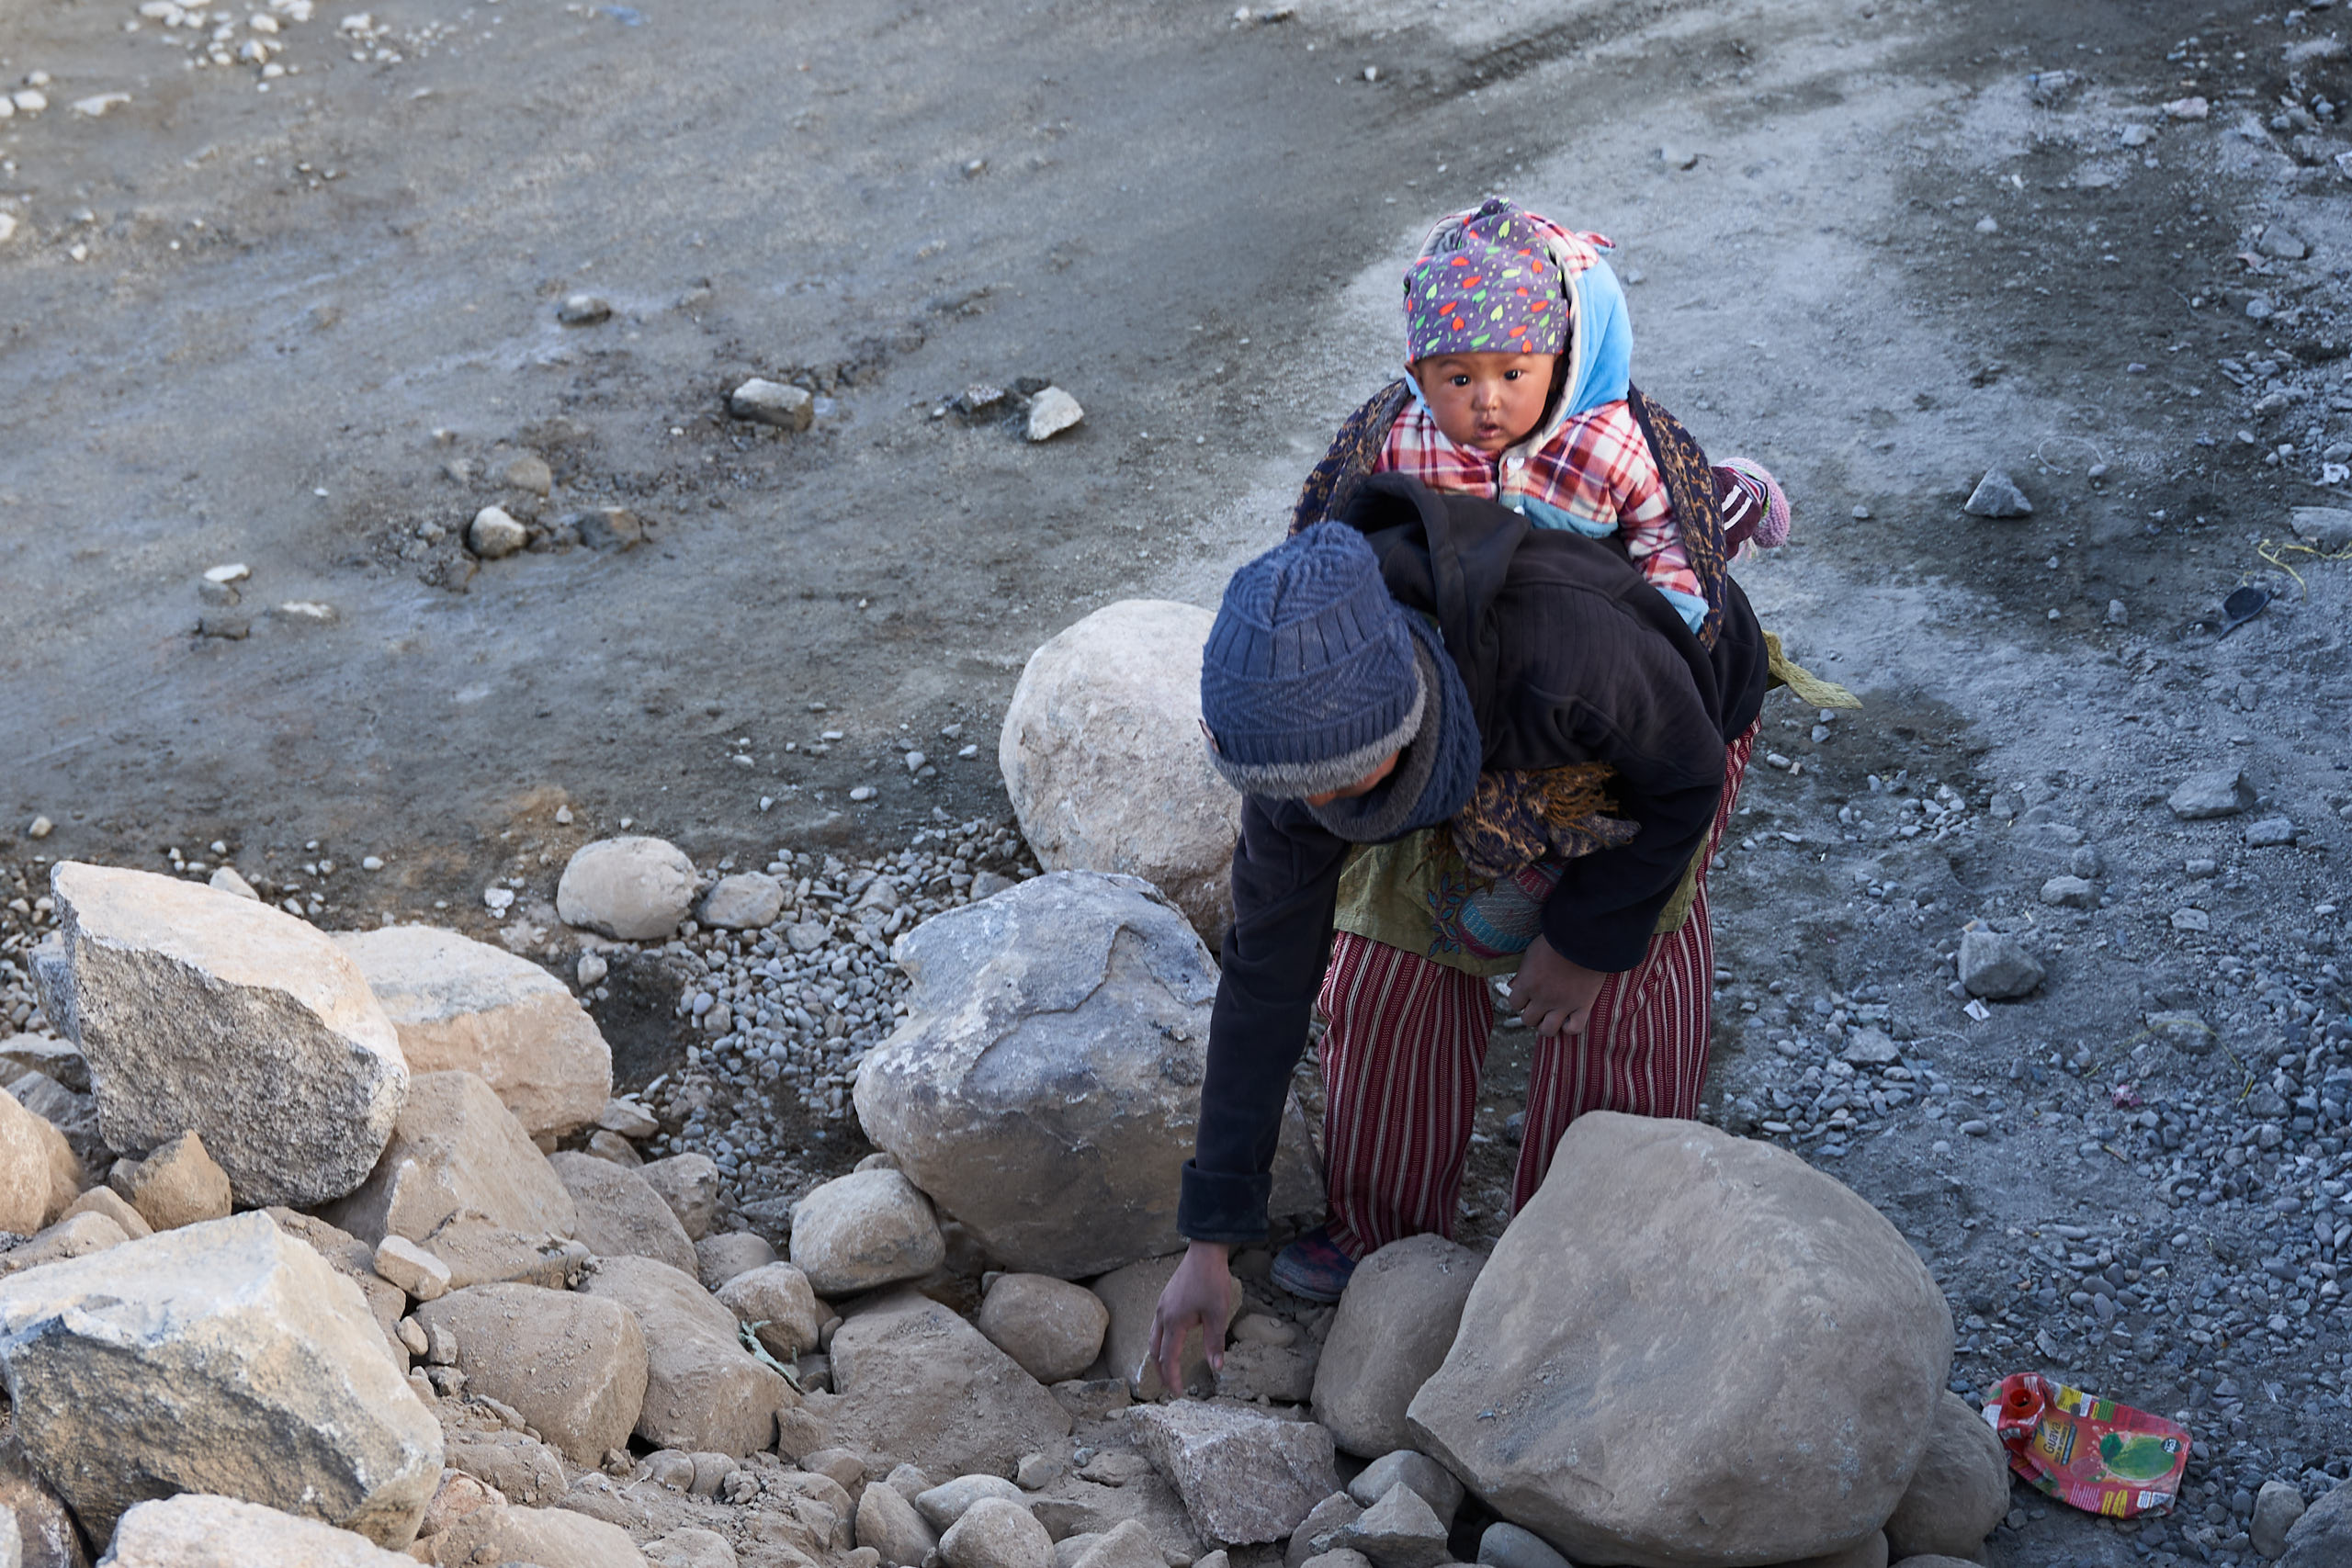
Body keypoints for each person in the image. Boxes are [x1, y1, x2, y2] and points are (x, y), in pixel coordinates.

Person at [1145, 200, 1833, 1393]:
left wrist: (1586, 929)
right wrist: (1211, 1240)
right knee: (1386, 973)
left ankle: (1578, 1249)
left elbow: (1676, 778)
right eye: (1298, 800)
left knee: (1607, 992)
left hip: (1658, 726)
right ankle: (1383, 1238)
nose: (1317, 815)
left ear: (1403, 722)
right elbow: (1267, 973)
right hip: (1461, 709)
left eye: (1346, 789)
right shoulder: (1305, 714)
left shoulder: (1580, 649)